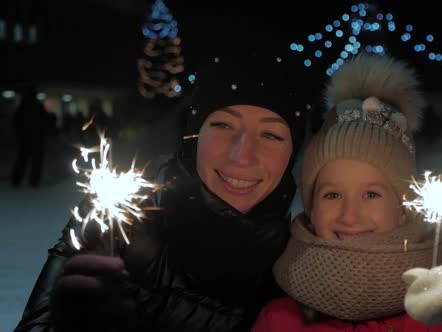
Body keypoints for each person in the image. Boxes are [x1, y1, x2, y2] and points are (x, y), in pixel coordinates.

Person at [14, 54, 313, 332]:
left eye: (271, 134)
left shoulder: (296, 270)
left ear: (293, 153)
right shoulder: (116, 220)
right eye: (223, 125)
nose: (242, 156)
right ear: (193, 136)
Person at [253, 54, 442, 332]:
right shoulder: (278, 320)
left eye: (372, 194)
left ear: (403, 207)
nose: (350, 216)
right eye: (332, 195)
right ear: (311, 207)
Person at [11, 85, 56, 188]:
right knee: (36, 161)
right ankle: (34, 181)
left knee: (22, 160)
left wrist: (19, 134)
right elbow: (45, 121)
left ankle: (17, 180)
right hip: (37, 138)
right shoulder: (38, 107)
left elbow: (16, 123)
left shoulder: (22, 107)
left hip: (25, 138)